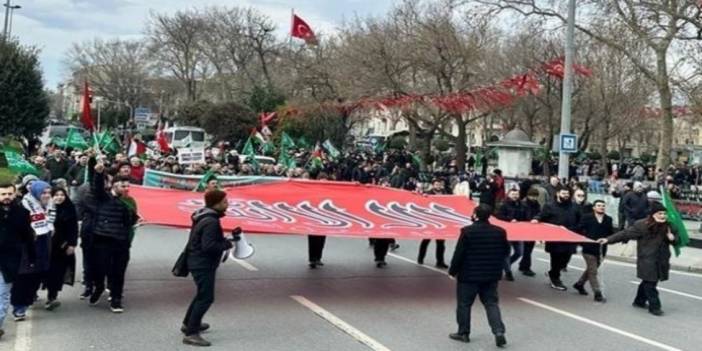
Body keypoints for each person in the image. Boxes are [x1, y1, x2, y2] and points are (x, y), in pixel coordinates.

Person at [597, 202, 678, 316]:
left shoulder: (669, 226)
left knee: (648, 281)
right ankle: (655, 307)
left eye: (664, 213)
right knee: (650, 283)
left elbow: (677, 241)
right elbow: (625, 234)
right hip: (647, 259)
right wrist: (608, 240)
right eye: (660, 213)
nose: (663, 216)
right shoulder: (642, 225)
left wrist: (672, 238)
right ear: (653, 214)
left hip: (662, 260)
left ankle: (639, 301)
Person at [448, 204, 509, 348]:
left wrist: (452, 271)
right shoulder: (500, 232)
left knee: (464, 304)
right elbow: (506, 251)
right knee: (491, 303)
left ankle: (463, 333)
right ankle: (498, 332)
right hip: (491, 275)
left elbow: (459, 253)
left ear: (475, 215)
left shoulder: (468, 231)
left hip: (469, 275)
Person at [181, 190, 235, 347]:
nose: (227, 204)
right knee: (206, 298)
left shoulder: (204, 216)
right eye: (225, 201)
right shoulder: (211, 221)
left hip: (197, 261)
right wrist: (227, 244)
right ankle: (191, 333)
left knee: (201, 294)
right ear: (216, 203)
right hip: (202, 263)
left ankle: (188, 324)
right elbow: (209, 246)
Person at [84, 162, 138, 313]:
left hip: (121, 242)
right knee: (100, 269)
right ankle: (99, 287)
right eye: (123, 186)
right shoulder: (104, 198)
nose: (126, 189)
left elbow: (132, 220)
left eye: (128, 186)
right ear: (114, 185)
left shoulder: (129, 202)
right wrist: (99, 173)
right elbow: (97, 188)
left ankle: (116, 299)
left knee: (118, 272)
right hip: (103, 240)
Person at [12, 181, 55, 321]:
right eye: (43, 193)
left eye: (48, 192)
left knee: (37, 275)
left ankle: (28, 299)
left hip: (44, 243)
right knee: (24, 277)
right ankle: (19, 307)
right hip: (27, 246)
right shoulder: (24, 205)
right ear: (36, 192)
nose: (47, 195)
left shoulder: (49, 205)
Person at [0, 182, 33, 340]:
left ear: (14, 194)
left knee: (3, 294)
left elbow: (28, 237)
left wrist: (32, 257)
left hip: (9, 260)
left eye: (9, 194)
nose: (6, 197)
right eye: (3, 194)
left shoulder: (22, 213)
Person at [532, 187, 580, 291]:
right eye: (563, 193)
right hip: (555, 239)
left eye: (568, 193)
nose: (566, 195)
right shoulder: (549, 206)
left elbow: (580, 221)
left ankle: (552, 272)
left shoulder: (574, 207)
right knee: (556, 259)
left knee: (565, 259)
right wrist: (536, 219)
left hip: (570, 237)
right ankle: (555, 279)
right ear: (558, 193)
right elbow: (541, 216)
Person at [43, 187, 78, 310]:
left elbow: (74, 228)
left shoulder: (70, 208)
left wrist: (72, 244)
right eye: (56, 195)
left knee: (57, 272)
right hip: (46, 246)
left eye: (62, 195)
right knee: (41, 272)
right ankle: (32, 294)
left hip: (62, 247)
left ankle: (52, 297)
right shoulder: (46, 209)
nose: (59, 197)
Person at [573, 200, 613, 302]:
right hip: (588, 248)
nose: (601, 207)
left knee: (591, 269)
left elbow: (611, 233)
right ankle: (597, 293)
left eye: (603, 206)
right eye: (599, 206)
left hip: (601, 249)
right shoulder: (587, 217)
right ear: (594, 208)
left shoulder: (608, 219)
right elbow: (578, 229)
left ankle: (579, 284)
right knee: (593, 271)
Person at [496, 189, 528, 281]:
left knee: (519, 252)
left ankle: (505, 265)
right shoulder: (504, 205)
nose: (515, 196)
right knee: (506, 252)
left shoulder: (522, 205)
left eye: (517, 194)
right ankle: (508, 272)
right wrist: (510, 219)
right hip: (507, 232)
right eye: (513, 194)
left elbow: (526, 217)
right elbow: (499, 216)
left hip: (518, 232)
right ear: (509, 195)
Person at [417, 179, 448, 268]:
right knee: (426, 240)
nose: (438, 186)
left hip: (441, 221)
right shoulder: (428, 193)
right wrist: (424, 196)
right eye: (436, 184)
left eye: (439, 184)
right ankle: (420, 258)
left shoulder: (444, 193)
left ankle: (440, 261)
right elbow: (421, 203)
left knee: (441, 243)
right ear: (433, 185)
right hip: (430, 220)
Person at [518, 188, 541, 277]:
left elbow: (539, 213)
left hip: (532, 228)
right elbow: (523, 215)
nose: (534, 198)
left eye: (535, 196)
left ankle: (523, 265)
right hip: (525, 228)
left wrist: (536, 218)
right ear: (528, 195)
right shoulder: (523, 204)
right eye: (532, 196)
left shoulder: (536, 204)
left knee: (529, 248)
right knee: (527, 249)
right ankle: (526, 267)